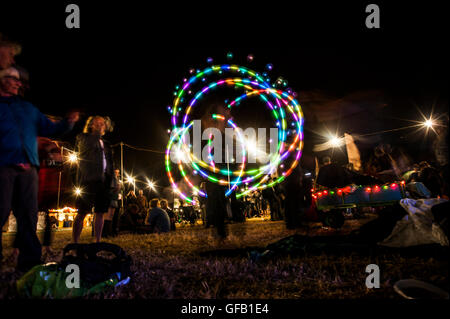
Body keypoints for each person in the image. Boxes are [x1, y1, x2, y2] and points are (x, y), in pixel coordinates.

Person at [0, 67, 79, 271]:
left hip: (29, 170)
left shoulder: (29, 109)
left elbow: (51, 128)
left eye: (18, 80)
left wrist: (67, 123)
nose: (15, 82)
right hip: (4, 166)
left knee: (28, 215)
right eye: (10, 78)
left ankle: (29, 264)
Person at [72, 116, 114, 243]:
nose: (101, 125)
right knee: (82, 212)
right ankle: (75, 242)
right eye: (97, 123)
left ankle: (98, 240)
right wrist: (98, 131)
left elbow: (109, 163)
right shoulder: (83, 138)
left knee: (100, 212)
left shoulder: (106, 144)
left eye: (102, 124)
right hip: (88, 181)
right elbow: (88, 146)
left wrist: (112, 180)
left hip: (103, 182)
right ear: (90, 125)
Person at [102, 168, 121, 238]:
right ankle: (105, 233)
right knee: (107, 216)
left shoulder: (117, 179)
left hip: (115, 198)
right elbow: (110, 189)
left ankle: (109, 232)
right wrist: (116, 188)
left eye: (118, 172)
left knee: (111, 216)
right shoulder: (111, 178)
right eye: (116, 172)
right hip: (110, 198)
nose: (117, 174)